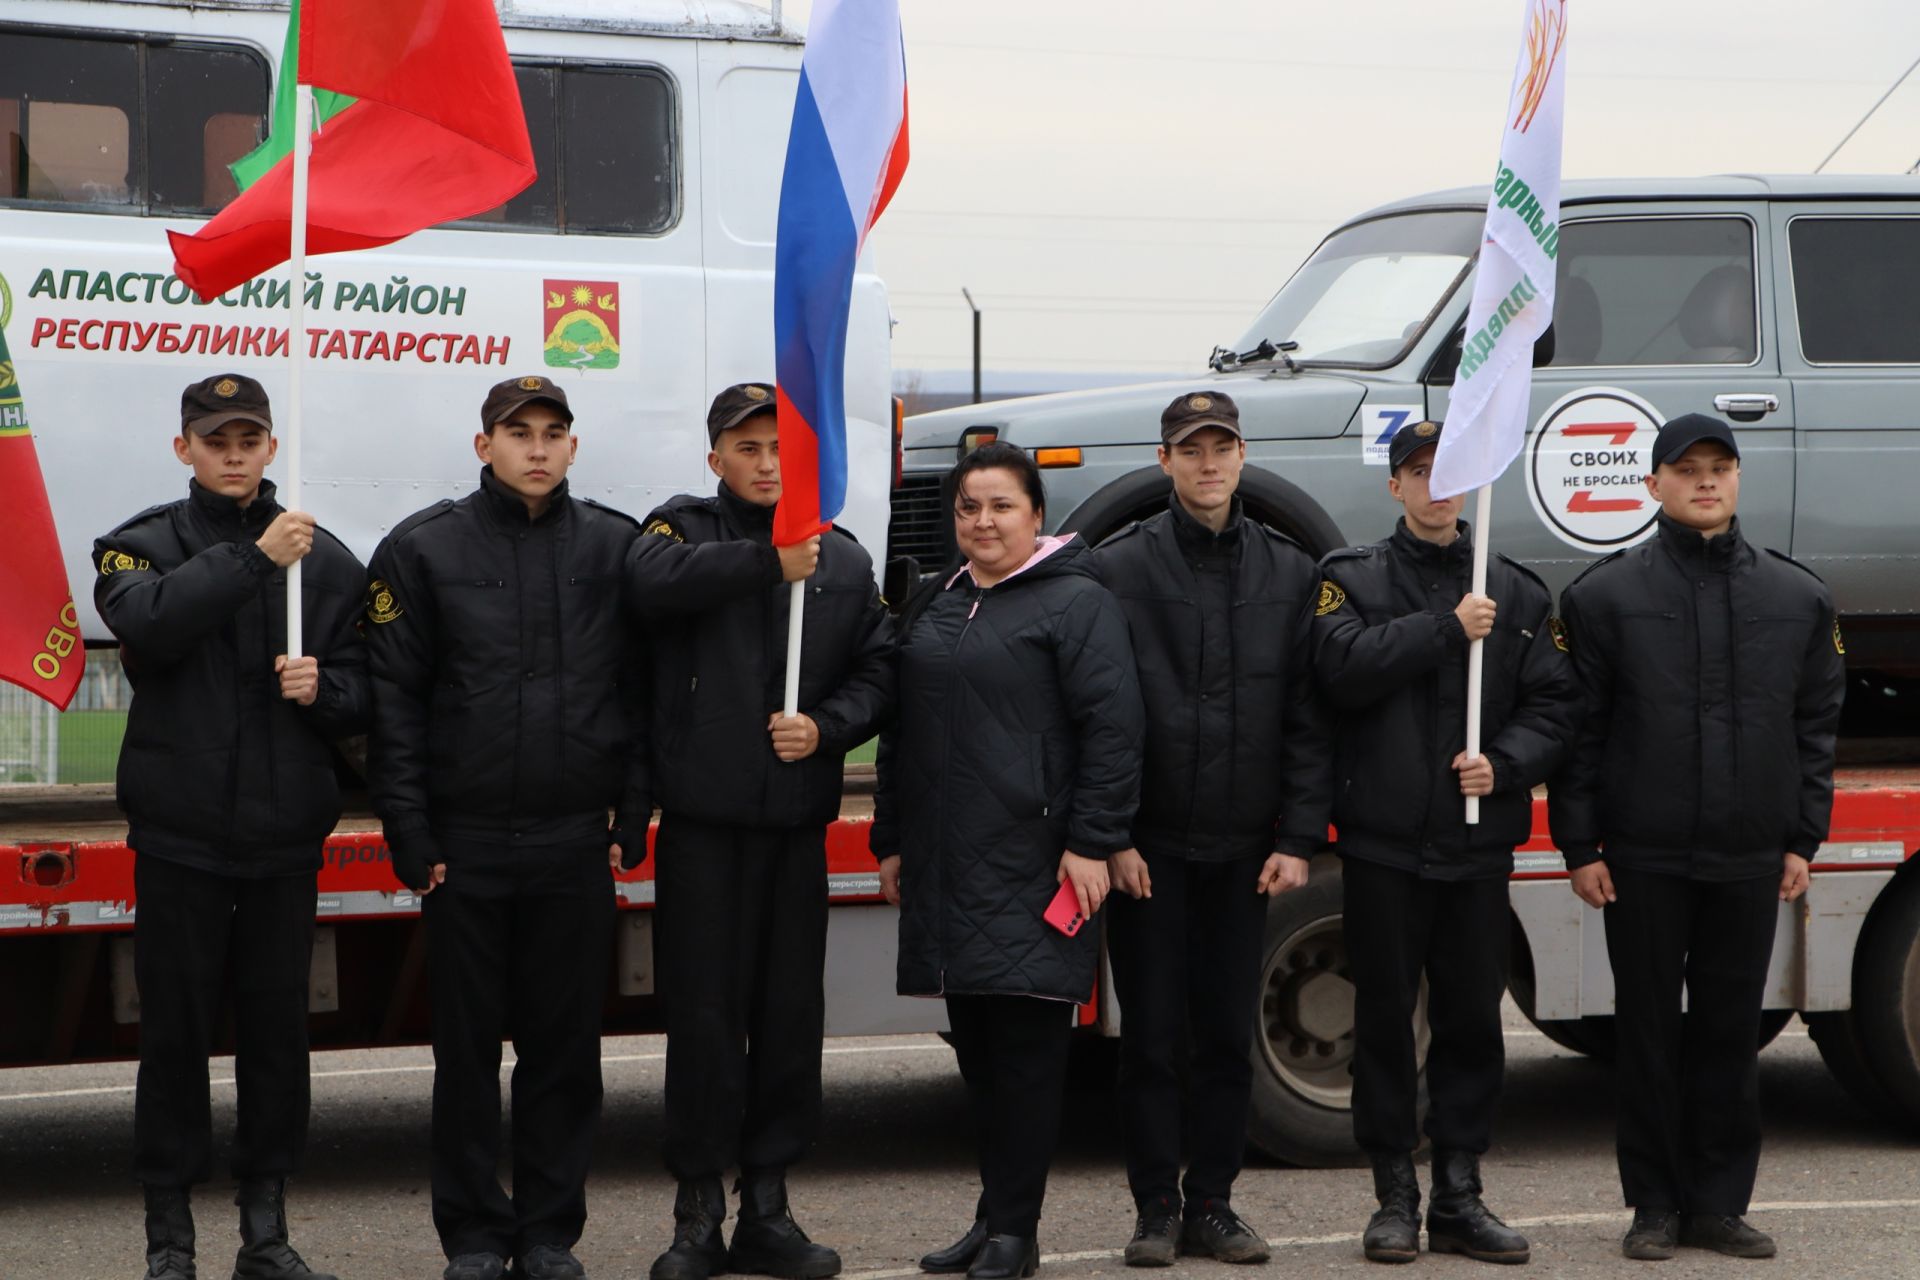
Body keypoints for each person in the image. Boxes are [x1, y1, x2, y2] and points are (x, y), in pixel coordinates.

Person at [365, 375, 644, 1280]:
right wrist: (408, 828)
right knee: (467, 1057)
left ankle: (550, 1233)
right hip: (467, 846)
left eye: (552, 432)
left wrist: (633, 812)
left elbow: (641, 695)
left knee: (565, 1055)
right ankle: (478, 1236)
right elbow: (393, 705)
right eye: (516, 431)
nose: (535, 447)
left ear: (572, 446)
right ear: (482, 444)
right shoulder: (423, 549)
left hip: (571, 841)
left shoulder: (614, 546)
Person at [1548, 414, 1845, 1262]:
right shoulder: (1604, 598)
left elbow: (1816, 725)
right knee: (1645, 1035)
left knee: (1728, 1032)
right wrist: (1581, 847)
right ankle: (1652, 1205)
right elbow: (1581, 734)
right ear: (1653, 485)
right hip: (1641, 857)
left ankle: (1717, 1204)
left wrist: (1803, 839)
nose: (1705, 482)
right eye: (1686, 470)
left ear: (1739, 479)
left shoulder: (1797, 597)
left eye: (1720, 467)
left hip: (1750, 854)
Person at [94, 373, 368, 1280]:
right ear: (185, 450)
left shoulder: (325, 561)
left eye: (250, 438)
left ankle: (267, 1232)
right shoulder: (138, 547)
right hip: (181, 837)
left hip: (286, 840)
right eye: (217, 440)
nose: (236, 453)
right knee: (172, 1037)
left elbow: (372, 689)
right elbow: (151, 624)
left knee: (277, 1039)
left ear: (271, 447)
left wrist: (325, 689)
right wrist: (255, 558)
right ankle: (170, 1238)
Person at [628, 383, 894, 1280]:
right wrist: (766, 566)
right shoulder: (679, 531)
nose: (766, 462)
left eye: (779, 447)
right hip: (703, 827)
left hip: (793, 829)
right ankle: (697, 1210)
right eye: (745, 448)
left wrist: (826, 726)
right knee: (703, 1021)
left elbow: (881, 669)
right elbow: (646, 587)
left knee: (789, 1022)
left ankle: (768, 1205)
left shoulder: (845, 560)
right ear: (715, 460)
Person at [873, 441, 1145, 1280]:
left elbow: (1115, 729)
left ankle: (1017, 1235)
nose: (982, 522)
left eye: (1000, 506)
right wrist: (890, 838)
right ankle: (992, 1217)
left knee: (1028, 1063)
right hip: (949, 865)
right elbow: (902, 736)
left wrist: (1093, 840)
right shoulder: (938, 605)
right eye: (968, 507)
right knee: (980, 1055)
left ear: (1036, 515)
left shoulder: (1076, 603)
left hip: (1038, 866)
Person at [1311, 419, 1577, 1267]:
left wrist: (1503, 766)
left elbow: (1555, 707)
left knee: (1472, 1024)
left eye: (1452, 470)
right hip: (1384, 846)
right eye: (1420, 472)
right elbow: (1340, 670)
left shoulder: (1517, 591)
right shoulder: (1348, 579)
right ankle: (1394, 1195)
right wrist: (1445, 628)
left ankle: (1461, 1196)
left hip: (1475, 847)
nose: (1437, 485)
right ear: (1395, 486)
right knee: (1386, 1023)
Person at [1089, 392, 1330, 1267]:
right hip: (1148, 852)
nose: (1207, 463)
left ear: (1241, 457)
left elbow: (1308, 719)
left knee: (1228, 1038)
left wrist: (1299, 837)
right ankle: (1155, 1208)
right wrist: (1111, 836)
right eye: (1190, 450)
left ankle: (1215, 1206)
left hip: (1244, 852)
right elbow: (1100, 717)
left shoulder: (1291, 572)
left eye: (1221, 447)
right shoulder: (1115, 569)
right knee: (1151, 1037)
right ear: (1164, 463)